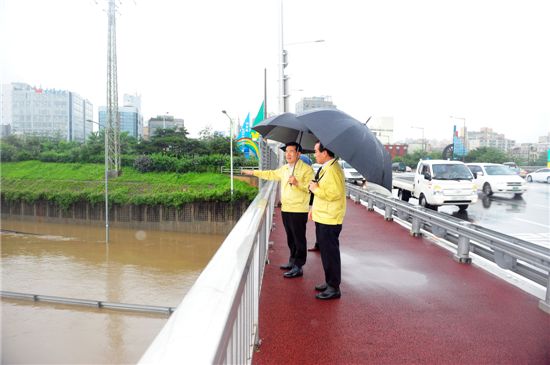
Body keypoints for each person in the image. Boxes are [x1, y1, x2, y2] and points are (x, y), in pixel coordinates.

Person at [242, 142, 314, 278]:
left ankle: (299, 266)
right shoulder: (285, 169)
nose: (288, 154)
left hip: (299, 209)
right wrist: (253, 172)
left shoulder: (307, 169)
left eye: (291, 151)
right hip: (286, 208)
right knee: (290, 237)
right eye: (286, 151)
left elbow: (311, 188)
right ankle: (292, 261)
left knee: (299, 239)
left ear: (299, 153)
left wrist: (297, 183)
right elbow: (271, 174)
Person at [308, 141, 346, 300]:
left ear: (325, 153)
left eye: (316, 151)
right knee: (326, 253)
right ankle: (329, 281)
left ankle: (334, 287)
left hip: (330, 219)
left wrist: (315, 189)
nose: (314, 154)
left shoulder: (333, 170)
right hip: (324, 216)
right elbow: (326, 191)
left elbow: (334, 194)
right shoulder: (328, 167)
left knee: (330, 254)